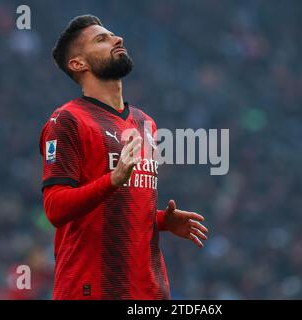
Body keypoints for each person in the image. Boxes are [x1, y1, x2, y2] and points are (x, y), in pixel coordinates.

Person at [39, 14, 208, 300]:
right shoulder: (67, 120)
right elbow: (55, 208)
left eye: (114, 35)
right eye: (101, 39)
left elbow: (114, 210)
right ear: (78, 64)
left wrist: (161, 221)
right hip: (91, 289)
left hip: (149, 292)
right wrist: (113, 179)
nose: (117, 40)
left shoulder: (145, 123)